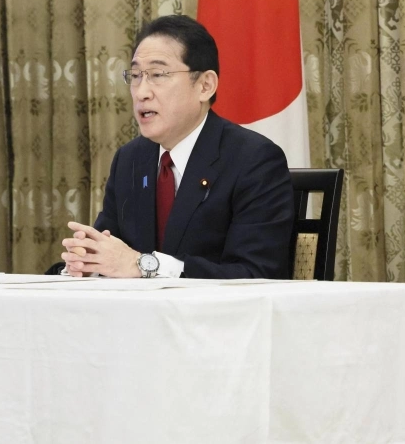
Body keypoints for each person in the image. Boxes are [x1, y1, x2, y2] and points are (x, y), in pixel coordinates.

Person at [59, 15, 293, 280]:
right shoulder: (131, 160)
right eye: (135, 76)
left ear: (205, 86)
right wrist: (87, 264)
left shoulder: (254, 160)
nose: (141, 92)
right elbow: (110, 250)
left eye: (158, 75)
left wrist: (143, 266)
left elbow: (255, 274)